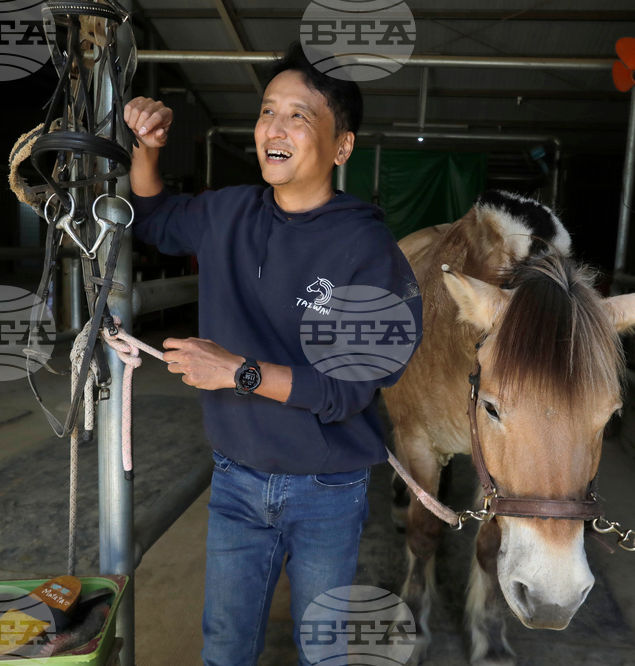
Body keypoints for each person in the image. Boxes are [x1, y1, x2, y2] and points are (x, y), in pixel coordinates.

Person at [123, 43, 422, 665]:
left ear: (342, 146)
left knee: (323, 650)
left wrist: (235, 371)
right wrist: (148, 145)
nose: (274, 129)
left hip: (328, 488)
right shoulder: (229, 212)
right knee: (225, 646)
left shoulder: (369, 251)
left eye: (299, 116)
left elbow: (345, 392)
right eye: (267, 111)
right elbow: (149, 214)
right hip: (236, 477)